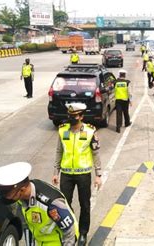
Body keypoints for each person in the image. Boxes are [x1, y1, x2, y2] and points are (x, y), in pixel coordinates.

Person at [0, 162, 78, 246]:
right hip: (43, 241)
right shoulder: (22, 198)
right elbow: (27, 225)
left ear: (22, 190)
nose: (9, 199)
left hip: (60, 241)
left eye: (10, 195)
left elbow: (70, 232)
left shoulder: (51, 203)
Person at [52, 103, 102, 246]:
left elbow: (95, 153)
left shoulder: (90, 131)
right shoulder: (63, 131)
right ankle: (71, 230)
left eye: (74, 116)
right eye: (69, 116)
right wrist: (56, 172)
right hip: (66, 174)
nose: (71, 118)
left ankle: (83, 233)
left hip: (83, 174)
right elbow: (59, 151)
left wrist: (98, 175)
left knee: (85, 205)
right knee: (65, 206)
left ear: (81, 116)